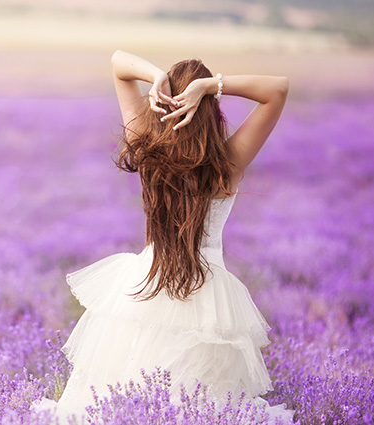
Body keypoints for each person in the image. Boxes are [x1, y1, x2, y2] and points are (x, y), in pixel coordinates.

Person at [32, 50, 293, 423]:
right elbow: (277, 89)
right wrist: (211, 85)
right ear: (210, 109)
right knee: (200, 409)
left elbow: (119, 63)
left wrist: (157, 77)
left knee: (116, 403)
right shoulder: (229, 161)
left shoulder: (148, 144)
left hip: (144, 286)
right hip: (207, 298)